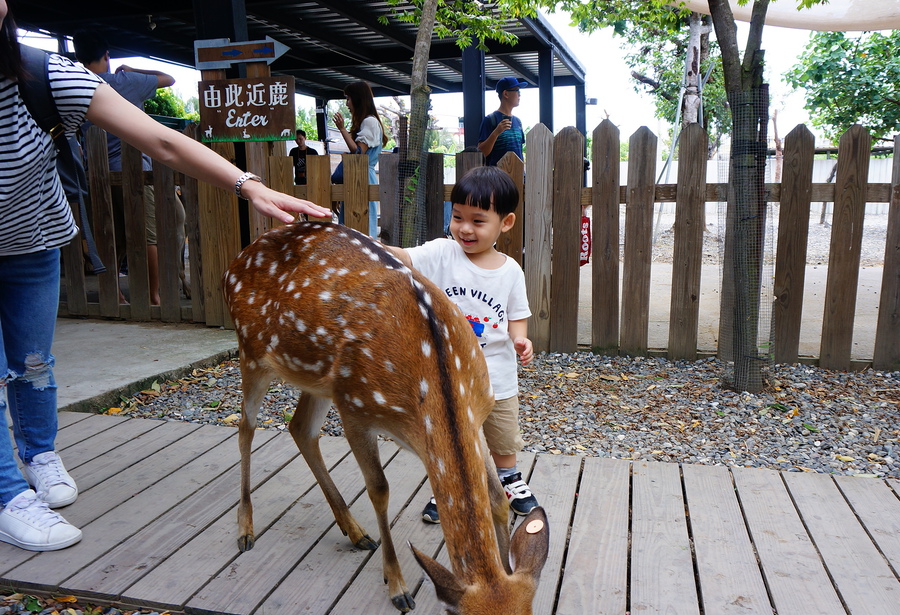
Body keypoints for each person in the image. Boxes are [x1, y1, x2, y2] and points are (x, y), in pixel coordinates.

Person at [0, 2, 330, 553]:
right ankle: (11, 496)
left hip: (32, 242)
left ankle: (39, 454)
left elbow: (162, 140)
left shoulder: (45, 74)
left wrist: (250, 185)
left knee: (33, 361)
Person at [381, 166, 540, 522]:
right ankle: (453, 485)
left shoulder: (510, 271)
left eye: (477, 220)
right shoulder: (441, 253)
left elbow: (517, 313)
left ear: (506, 222)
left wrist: (520, 338)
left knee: (501, 434)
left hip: (496, 374)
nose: (464, 228)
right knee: (454, 434)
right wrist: (369, 245)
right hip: (447, 375)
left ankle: (509, 479)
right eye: (457, 217)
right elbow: (404, 257)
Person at [74, 29, 183, 306]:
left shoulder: (74, 85)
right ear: (106, 56)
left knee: (108, 235)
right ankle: (153, 295)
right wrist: (132, 67)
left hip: (95, 174)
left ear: (78, 56)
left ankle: (116, 295)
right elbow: (168, 79)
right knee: (148, 233)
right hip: (133, 171)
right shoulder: (123, 80)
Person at [332, 81, 387, 239]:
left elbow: (358, 152)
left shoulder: (369, 121)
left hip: (361, 178)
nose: (347, 103)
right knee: (353, 225)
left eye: (348, 98)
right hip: (358, 177)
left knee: (360, 225)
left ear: (357, 99)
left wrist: (342, 129)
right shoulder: (367, 121)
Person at [477, 76, 528, 167]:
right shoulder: (490, 120)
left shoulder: (518, 121)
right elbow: (481, 153)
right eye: (517, 91)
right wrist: (496, 132)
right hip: (496, 177)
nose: (519, 95)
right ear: (506, 94)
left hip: (517, 176)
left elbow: (519, 151)